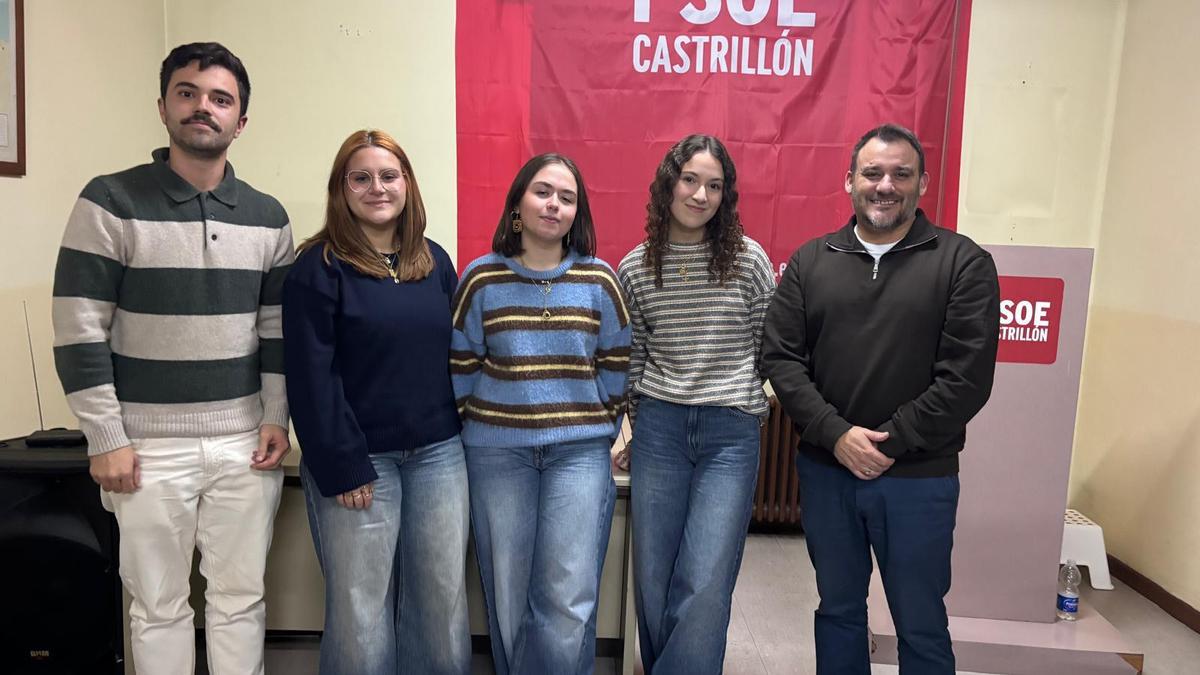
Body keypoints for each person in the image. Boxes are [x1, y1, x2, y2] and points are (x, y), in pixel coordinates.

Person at [51, 42, 293, 673]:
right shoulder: (109, 201)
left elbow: (277, 330)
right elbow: (79, 325)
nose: (202, 108)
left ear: (241, 121)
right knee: (157, 607)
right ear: (162, 107)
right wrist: (105, 436)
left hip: (245, 444)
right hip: (145, 447)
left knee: (240, 601)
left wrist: (276, 416)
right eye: (187, 93)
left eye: (220, 99)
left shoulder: (269, 219)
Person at [762, 123, 1001, 674]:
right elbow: (780, 359)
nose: (885, 185)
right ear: (849, 181)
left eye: (901, 174)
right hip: (828, 472)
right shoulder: (809, 262)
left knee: (920, 620)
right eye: (872, 173)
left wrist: (889, 442)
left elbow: (966, 378)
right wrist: (836, 436)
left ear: (922, 183)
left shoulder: (963, 263)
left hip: (920, 479)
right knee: (839, 611)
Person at [282, 130, 470, 674]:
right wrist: (343, 464)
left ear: (407, 184)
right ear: (341, 190)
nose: (376, 188)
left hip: (439, 454)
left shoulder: (434, 262)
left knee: (440, 600)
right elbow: (310, 377)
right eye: (360, 177)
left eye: (388, 176)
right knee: (362, 610)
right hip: (359, 462)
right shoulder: (318, 268)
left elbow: (458, 358)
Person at [451, 153, 631, 674]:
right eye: (543, 192)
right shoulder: (481, 279)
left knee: (568, 595)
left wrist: (595, 418)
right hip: (496, 453)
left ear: (578, 213)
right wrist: (486, 420)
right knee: (507, 592)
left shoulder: (600, 280)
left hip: (578, 454)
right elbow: (461, 362)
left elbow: (617, 361)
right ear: (518, 204)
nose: (554, 204)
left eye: (567, 197)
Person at [615, 134, 775, 674]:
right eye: (690, 180)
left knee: (705, 577)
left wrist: (753, 404)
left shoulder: (750, 261)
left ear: (725, 197)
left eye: (714, 186)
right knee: (655, 575)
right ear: (668, 184)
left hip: (729, 434)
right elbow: (632, 360)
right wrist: (635, 430)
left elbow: (767, 346)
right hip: (659, 427)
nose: (701, 195)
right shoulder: (635, 267)